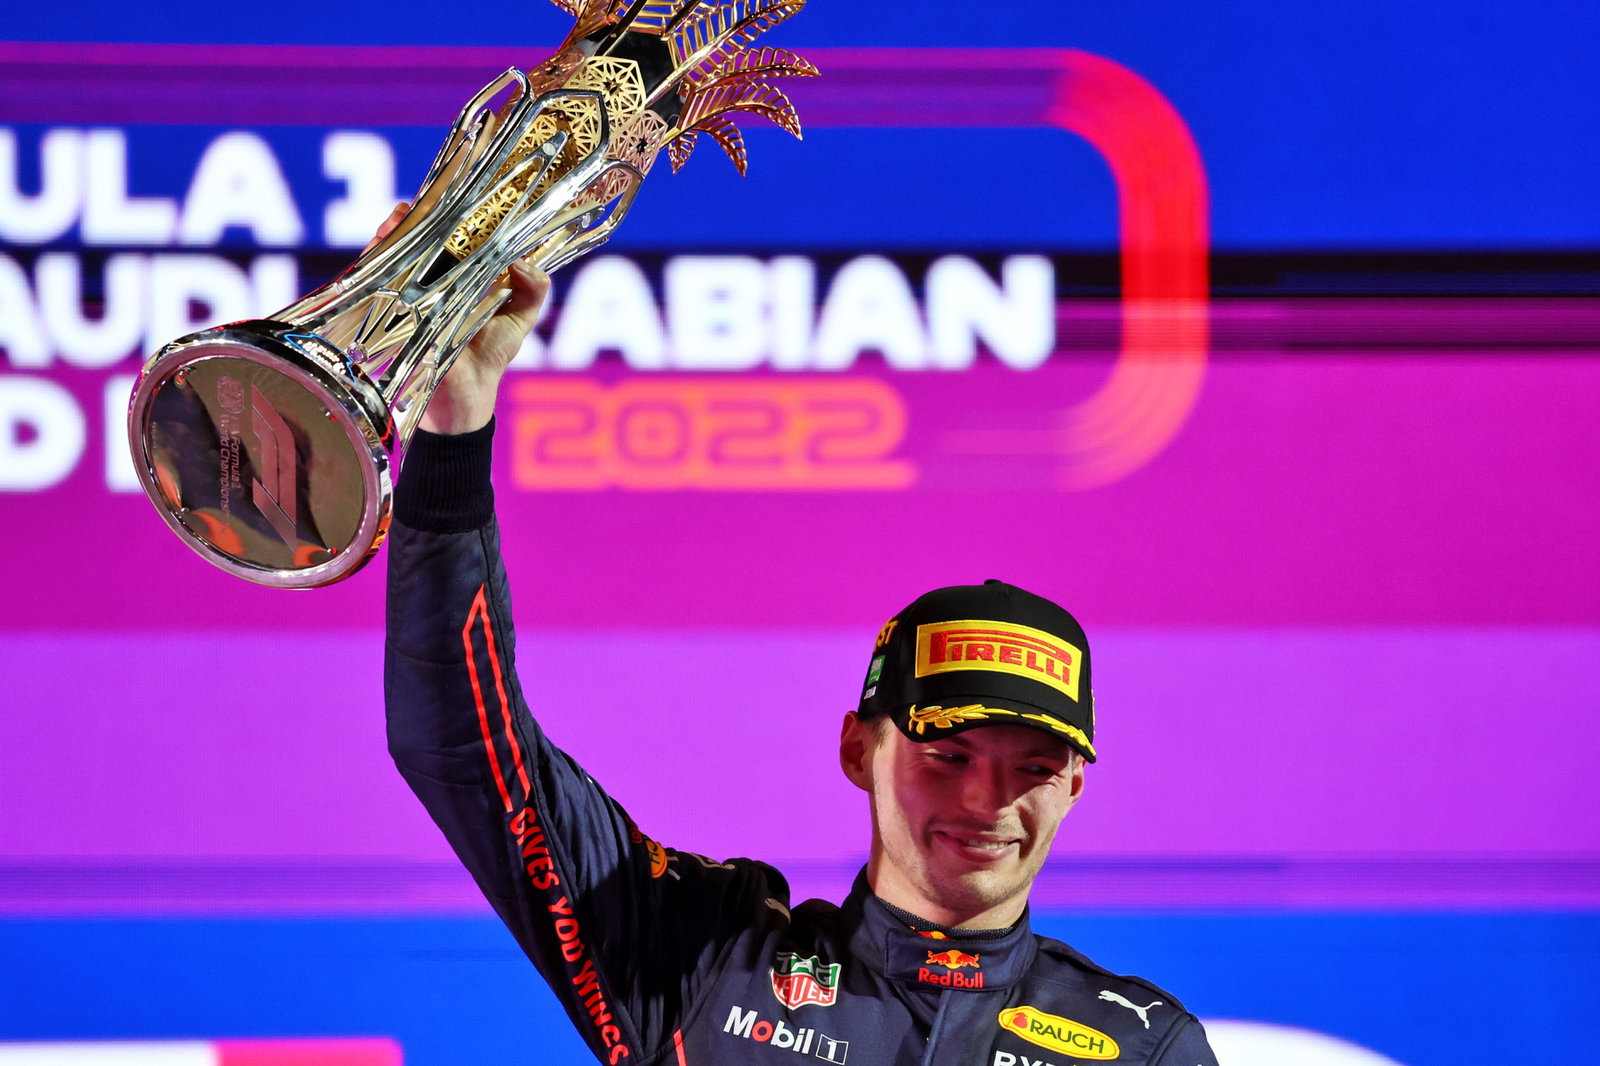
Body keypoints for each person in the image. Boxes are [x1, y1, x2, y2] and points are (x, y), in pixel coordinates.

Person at [383, 216, 1219, 1065]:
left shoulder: (1142, 1049)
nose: (986, 802)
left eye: (1034, 767)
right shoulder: (703, 957)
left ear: (1075, 784)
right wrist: (459, 416)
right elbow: (461, 743)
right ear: (859, 747)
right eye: (948, 753)